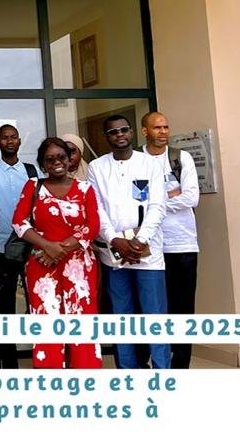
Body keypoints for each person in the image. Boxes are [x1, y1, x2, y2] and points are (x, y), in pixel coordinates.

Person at [87, 114, 169, 369]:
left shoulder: (149, 164)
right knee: (121, 316)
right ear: (106, 137)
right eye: (113, 132)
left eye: (123, 130)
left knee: (154, 315)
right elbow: (96, 209)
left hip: (147, 252)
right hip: (114, 254)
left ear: (132, 132)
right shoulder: (97, 167)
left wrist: (140, 240)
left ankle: (162, 372)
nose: (119, 135)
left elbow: (158, 206)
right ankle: (127, 373)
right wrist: (114, 239)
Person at [12, 137, 101, 369]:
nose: (56, 163)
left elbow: (93, 226)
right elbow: (19, 222)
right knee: (47, 319)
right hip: (42, 264)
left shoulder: (85, 188)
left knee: (81, 319)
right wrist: (47, 246)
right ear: (42, 164)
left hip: (79, 266)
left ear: (70, 160)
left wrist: (58, 249)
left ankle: (85, 376)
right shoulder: (33, 186)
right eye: (49, 159)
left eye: (61, 157)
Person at [0, 124, 39, 369]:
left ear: (19, 141)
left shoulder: (33, 171)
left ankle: (43, 358)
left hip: (31, 248)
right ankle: (7, 363)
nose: (10, 141)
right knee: (3, 307)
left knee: (37, 303)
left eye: (14, 137)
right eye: (5, 138)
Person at [141, 111, 200, 369]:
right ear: (145, 131)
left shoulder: (181, 157)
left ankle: (180, 367)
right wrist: (170, 195)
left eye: (166, 127)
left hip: (183, 244)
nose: (163, 132)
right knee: (151, 308)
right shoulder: (138, 160)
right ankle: (151, 362)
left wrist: (156, 203)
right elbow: (134, 200)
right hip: (150, 246)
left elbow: (191, 197)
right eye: (157, 128)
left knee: (183, 308)